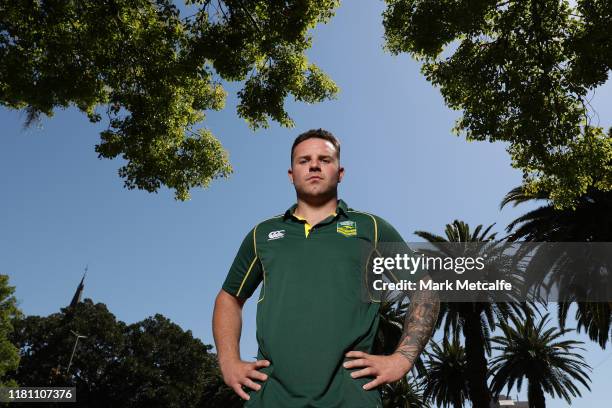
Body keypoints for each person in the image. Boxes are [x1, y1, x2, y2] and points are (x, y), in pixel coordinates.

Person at [212, 129, 439, 407]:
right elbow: (229, 298)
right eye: (304, 160)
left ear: (340, 172)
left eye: (325, 159)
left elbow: (424, 288)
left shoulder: (372, 228)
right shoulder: (263, 234)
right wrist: (228, 361)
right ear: (291, 174)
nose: (314, 165)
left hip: (352, 397)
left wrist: (402, 358)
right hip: (270, 397)